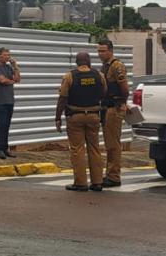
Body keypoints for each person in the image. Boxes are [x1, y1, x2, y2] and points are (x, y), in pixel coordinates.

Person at [55, 52, 106, 192]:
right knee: (94, 149)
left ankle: (80, 183)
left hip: (75, 116)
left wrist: (58, 117)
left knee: (78, 150)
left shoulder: (69, 76)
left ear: (77, 62)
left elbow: (63, 98)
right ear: (89, 61)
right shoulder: (99, 75)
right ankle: (97, 182)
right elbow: (103, 93)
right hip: (94, 115)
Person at [97, 39, 129, 187]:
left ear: (110, 50)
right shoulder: (105, 66)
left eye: (103, 51)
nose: (100, 54)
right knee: (109, 143)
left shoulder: (117, 66)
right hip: (106, 107)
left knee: (113, 144)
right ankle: (110, 173)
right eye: (99, 51)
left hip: (114, 107)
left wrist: (121, 103)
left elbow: (124, 89)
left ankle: (114, 175)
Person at [0, 47, 20, 159]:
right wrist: (11, 81)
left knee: (7, 125)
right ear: (0, 55)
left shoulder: (8, 67)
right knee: (1, 125)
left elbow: (18, 79)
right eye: (6, 55)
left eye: (9, 55)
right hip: (0, 101)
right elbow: (2, 80)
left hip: (10, 100)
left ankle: (5, 148)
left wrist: (15, 67)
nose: (8, 57)